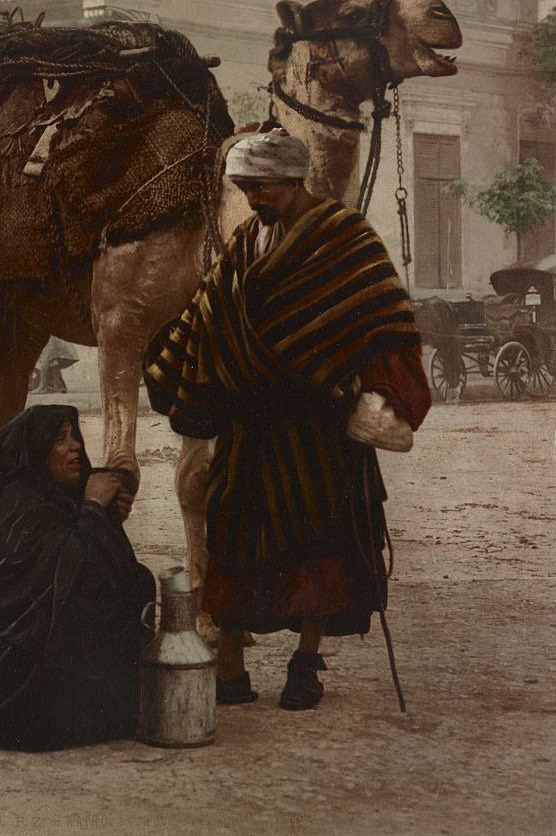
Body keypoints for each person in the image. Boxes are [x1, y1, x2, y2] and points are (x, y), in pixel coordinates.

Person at [144, 129, 431, 711]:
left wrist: (380, 392)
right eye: (244, 187)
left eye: (260, 186)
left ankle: (306, 664)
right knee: (231, 540)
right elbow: (208, 307)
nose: (251, 198)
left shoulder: (347, 236)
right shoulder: (248, 238)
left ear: (293, 179)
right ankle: (230, 666)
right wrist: (168, 360)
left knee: (317, 545)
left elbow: (384, 317)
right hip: (250, 426)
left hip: (318, 425)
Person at [0, 404, 155, 751]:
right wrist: (91, 509)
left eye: (75, 436)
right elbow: (56, 577)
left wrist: (106, 511)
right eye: (60, 440)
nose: (75, 446)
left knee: (137, 580)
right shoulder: (19, 505)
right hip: (11, 666)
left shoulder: (56, 495)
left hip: (44, 645)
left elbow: (100, 566)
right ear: (36, 453)